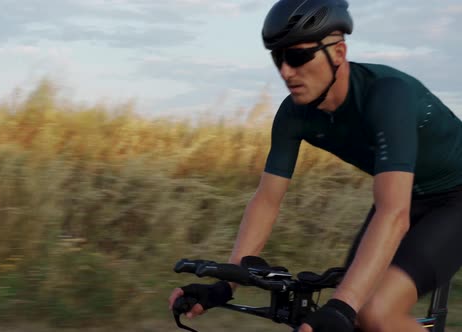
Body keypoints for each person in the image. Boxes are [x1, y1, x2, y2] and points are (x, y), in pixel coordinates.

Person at [168, 0, 462, 331]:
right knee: (351, 307)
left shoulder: (386, 95)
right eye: (278, 58)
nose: (285, 71)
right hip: (409, 197)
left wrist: (343, 308)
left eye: (296, 56)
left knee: (373, 313)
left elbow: (393, 214)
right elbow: (267, 201)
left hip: (456, 199)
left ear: (338, 53)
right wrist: (226, 284)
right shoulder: (295, 115)